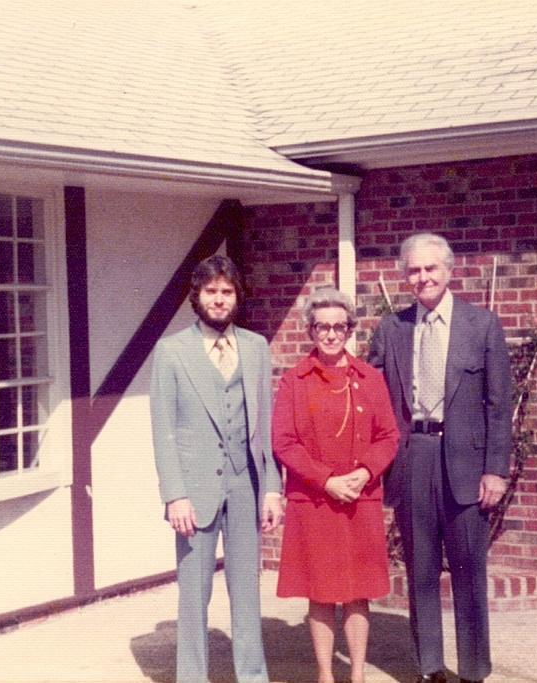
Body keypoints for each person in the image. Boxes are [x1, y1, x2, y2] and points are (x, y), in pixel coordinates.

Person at [368, 233, 512, 683]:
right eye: (413, 270)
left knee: (468, 570)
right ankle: (429, 667)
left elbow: (498, 405)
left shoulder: (481, 325)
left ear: (449, 271)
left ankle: (473, 670)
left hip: (467, 463)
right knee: (421, 568)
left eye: (430, 268)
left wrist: (495, 469)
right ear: (405, 276)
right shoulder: (392, 329)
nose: (422, 277)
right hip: (414, 458)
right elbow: (370, 395)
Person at [149, 254, 283, 683]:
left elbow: (264, 424)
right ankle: (192, 677)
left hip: (246, 486)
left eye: (227, 292)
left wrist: (273, 488)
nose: (220, 300)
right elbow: (163, 430)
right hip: (194, 492)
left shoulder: (256, 347)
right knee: (195, 594)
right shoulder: (172, 352)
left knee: (247, 593)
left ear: (236, 296)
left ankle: (253, 676)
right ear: (197, 296)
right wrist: (174, 495)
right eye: (212, 292)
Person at [272, 286, 399, 683]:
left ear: (350, 330)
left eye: (338, 327)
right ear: (310, 331)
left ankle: (357, 674)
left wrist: (363, 474)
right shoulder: (295, 381)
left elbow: (389, 437)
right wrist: (327, 481)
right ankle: (326, 674)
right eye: (322, 327)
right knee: (322, 591)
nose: (330, 334)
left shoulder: (370, 378)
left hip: (360, 498)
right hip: (316, 501)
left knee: (359, 591)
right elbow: (284, 442)